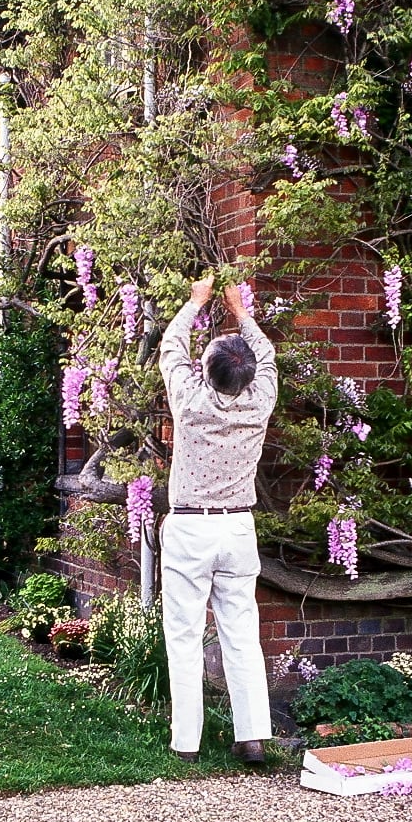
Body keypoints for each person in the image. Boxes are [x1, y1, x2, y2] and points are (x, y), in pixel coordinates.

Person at [158, 276, 279, 765]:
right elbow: (266, 356)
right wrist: (240, 308)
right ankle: (252, 736)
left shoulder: (190, 400)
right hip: (237, 529)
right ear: (246, 376)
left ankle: (186, 743)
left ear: (205, 371)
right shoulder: (261, 400)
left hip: (191, 527)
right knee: (242, 632)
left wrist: (196, 303)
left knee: (184, 633)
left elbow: (170, 346)